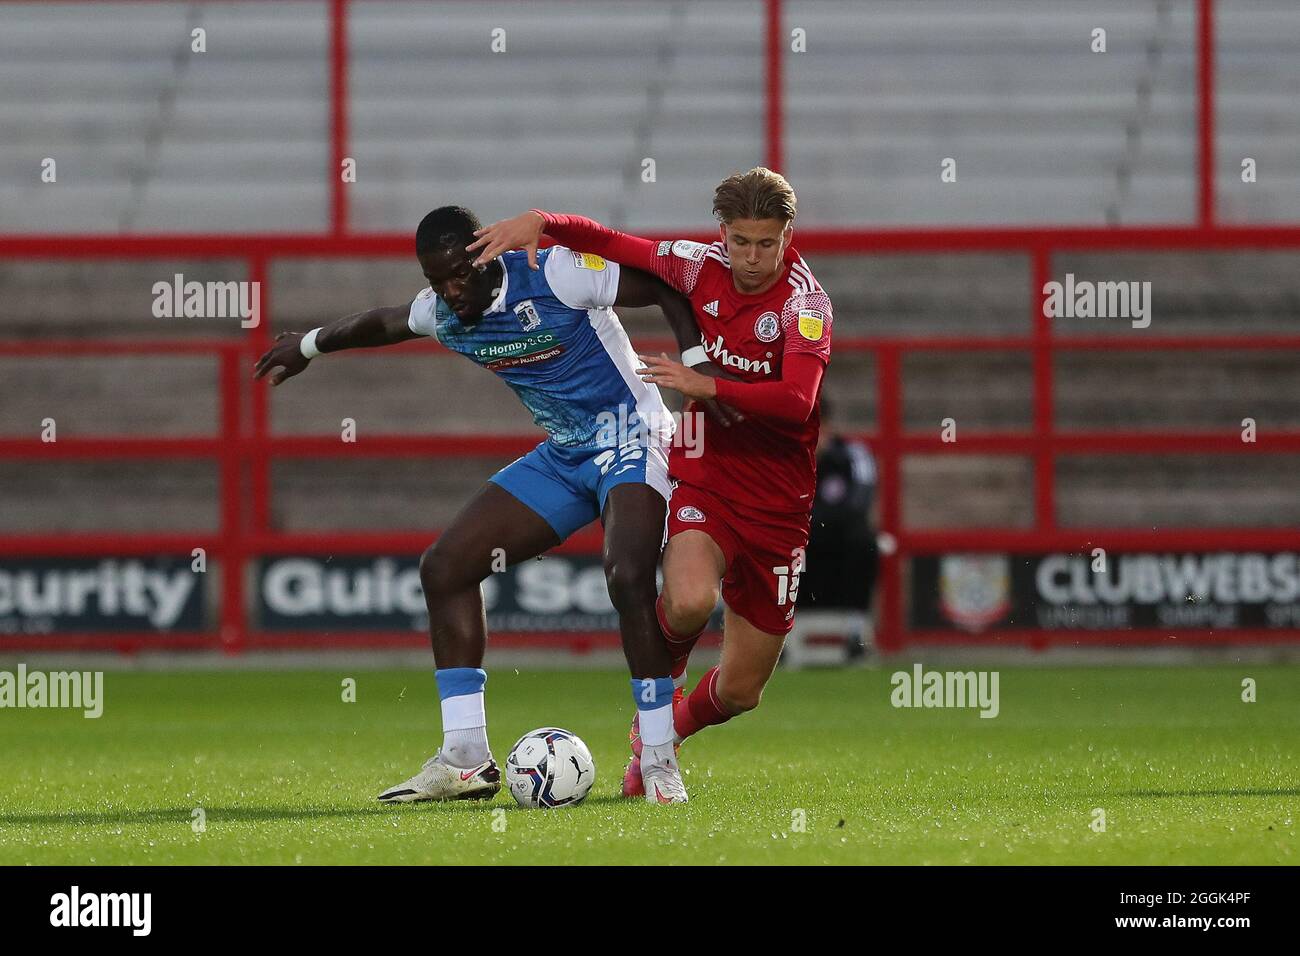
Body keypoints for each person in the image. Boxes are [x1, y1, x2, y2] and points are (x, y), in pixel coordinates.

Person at [253, 205, 705, 804]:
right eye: (435, 280)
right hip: (566, 455)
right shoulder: (443, 311)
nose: (448, 292)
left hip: (636, 438)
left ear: (484, 255)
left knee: (625, 573)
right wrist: (307, 346)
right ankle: (465, 760)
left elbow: (667, 289)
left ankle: (657, 759)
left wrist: (699, 370)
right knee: (445, 568)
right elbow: (384, 323)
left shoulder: (557, 273)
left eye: (458, 275)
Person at [469, 167, 835, 796]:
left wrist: (706, 384)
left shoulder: (806, 304)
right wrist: (545, 223)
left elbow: (798, 402)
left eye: (765, 244)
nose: (750, 258)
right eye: (740, 241)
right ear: (722, 232)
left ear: (787, 237)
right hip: (707, 475)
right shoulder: (698, 265)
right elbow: (612, 243)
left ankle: (663, 735)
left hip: (780, 504)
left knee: (743, 690)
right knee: (690, 599)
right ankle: (655, 723)